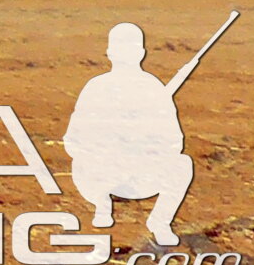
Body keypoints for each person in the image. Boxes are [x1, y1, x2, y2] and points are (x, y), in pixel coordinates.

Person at [62, 21, 199, 246]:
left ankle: (160, 222)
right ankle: (102, 204)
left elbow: (174, 143)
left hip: (139, 175)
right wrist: (108, 145)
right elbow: (73, 141)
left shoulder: (153, 89)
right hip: (101, 175)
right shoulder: (97, 87)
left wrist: (144, 144)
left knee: (181, 164)